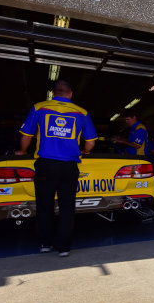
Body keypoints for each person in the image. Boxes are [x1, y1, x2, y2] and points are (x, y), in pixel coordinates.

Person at [16, 80, 97, 257]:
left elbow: (26, 136)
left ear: (53, 93)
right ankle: (64, 248)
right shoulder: (81, 112)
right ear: (70, 93)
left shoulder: (39, 108)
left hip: (46, 164)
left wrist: (22, 152)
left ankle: (45, 243)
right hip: (69, 165)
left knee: (44, 205)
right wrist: (84, 150)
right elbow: (91, 141)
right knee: (67, 207)